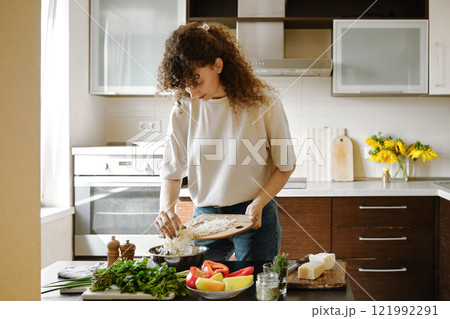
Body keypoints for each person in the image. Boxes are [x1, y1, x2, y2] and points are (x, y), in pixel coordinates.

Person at [155, 22, 296, 261]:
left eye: (197, 79)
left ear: (217, 65)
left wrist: (259, 203)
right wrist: (167, 208)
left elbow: (285, 165)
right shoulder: (183, 109)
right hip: (205, 217)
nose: (191, 90)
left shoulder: (263, 102)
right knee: (202, 288)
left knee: (255, 290)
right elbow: (172, 170)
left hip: (254, 214)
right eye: (185, 82)